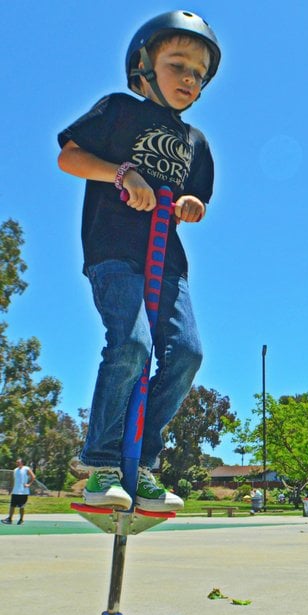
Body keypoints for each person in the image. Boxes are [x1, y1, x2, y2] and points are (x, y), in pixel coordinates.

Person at [57, 11, 221, 512]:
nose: (190, 79)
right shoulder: (119, 110)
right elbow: (69, 156)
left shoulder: (196, 143)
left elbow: (197, 198)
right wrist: (123, 173)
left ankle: (141, 462)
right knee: (131, 345)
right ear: (143, 67)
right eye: (179, 65)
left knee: (188, 354)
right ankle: (103, 461)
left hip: (167, 261)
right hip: (113, 249)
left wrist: (193, 206)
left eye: (199, 73)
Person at [2, 459, 36, 525]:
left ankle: (21, 520)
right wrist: (12, 490)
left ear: (22, 463)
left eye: (18, 462)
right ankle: (9, 519)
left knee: (22, 507)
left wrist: (29, 484)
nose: (17, 463)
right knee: (12, 506)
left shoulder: (26, 468)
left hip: (23, 492)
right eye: (16, 462)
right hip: (15, 492)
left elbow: (33, 476)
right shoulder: (15, 470)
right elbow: (14, 480)